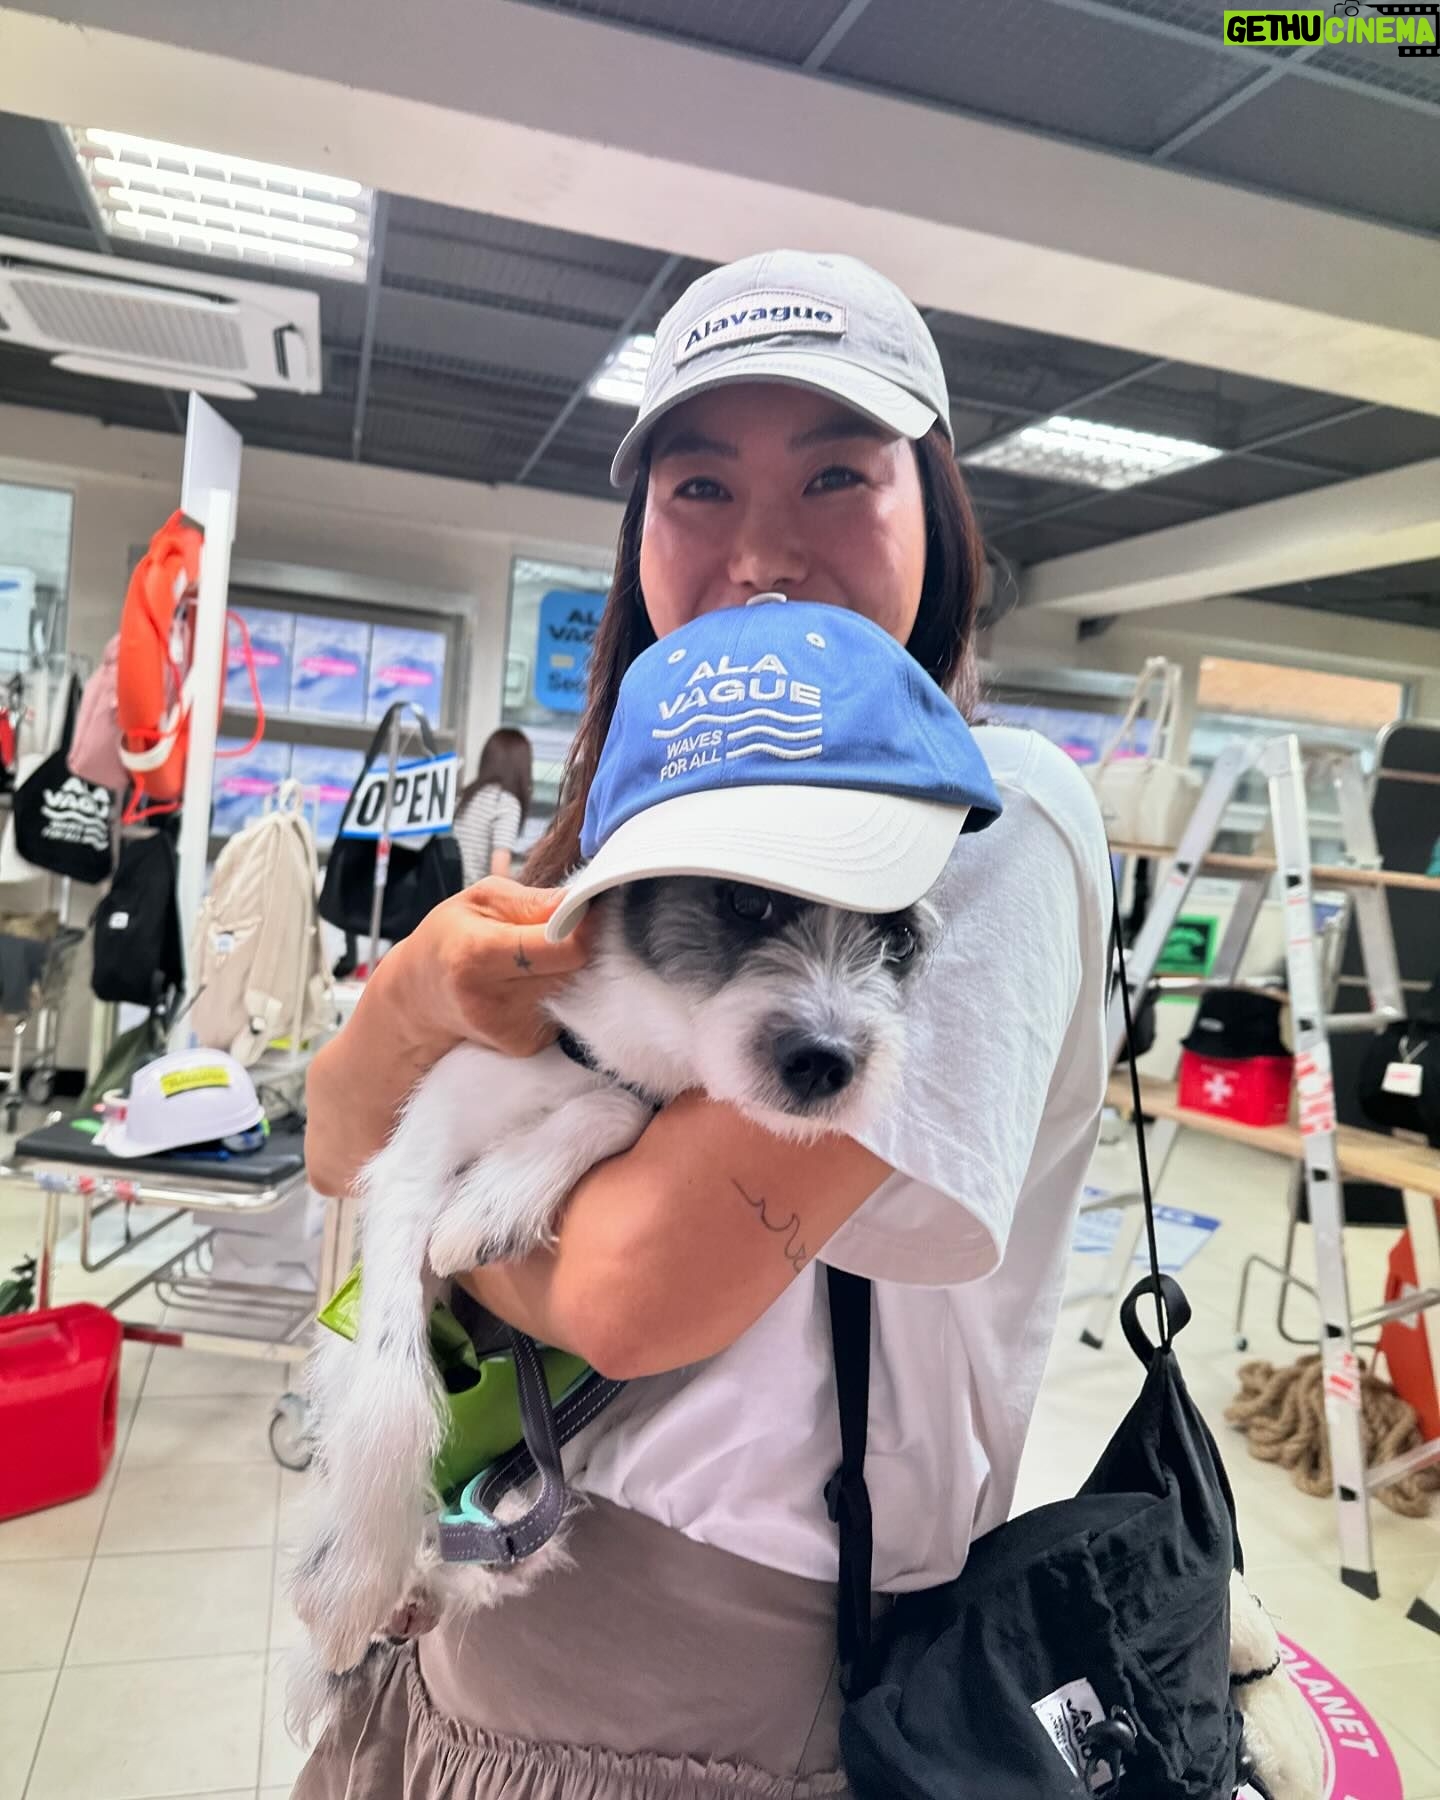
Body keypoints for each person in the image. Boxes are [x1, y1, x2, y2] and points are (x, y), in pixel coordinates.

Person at [299, 250, 1112, 1800]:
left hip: (733, 1659)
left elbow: (632, 1294)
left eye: (836, 475)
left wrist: (440, 1209)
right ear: (640, 531)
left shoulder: (983, 816)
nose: (764, 552)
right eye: (699, 486)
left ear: (936, 510)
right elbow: (336, 1144)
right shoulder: (645, 810)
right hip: (492, 1565)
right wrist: (411, 999)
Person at [451, 726, 533, 885]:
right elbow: (498, 875)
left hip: (452, 892)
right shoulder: (505, 802)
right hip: (474, 894)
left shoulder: (466, 796)